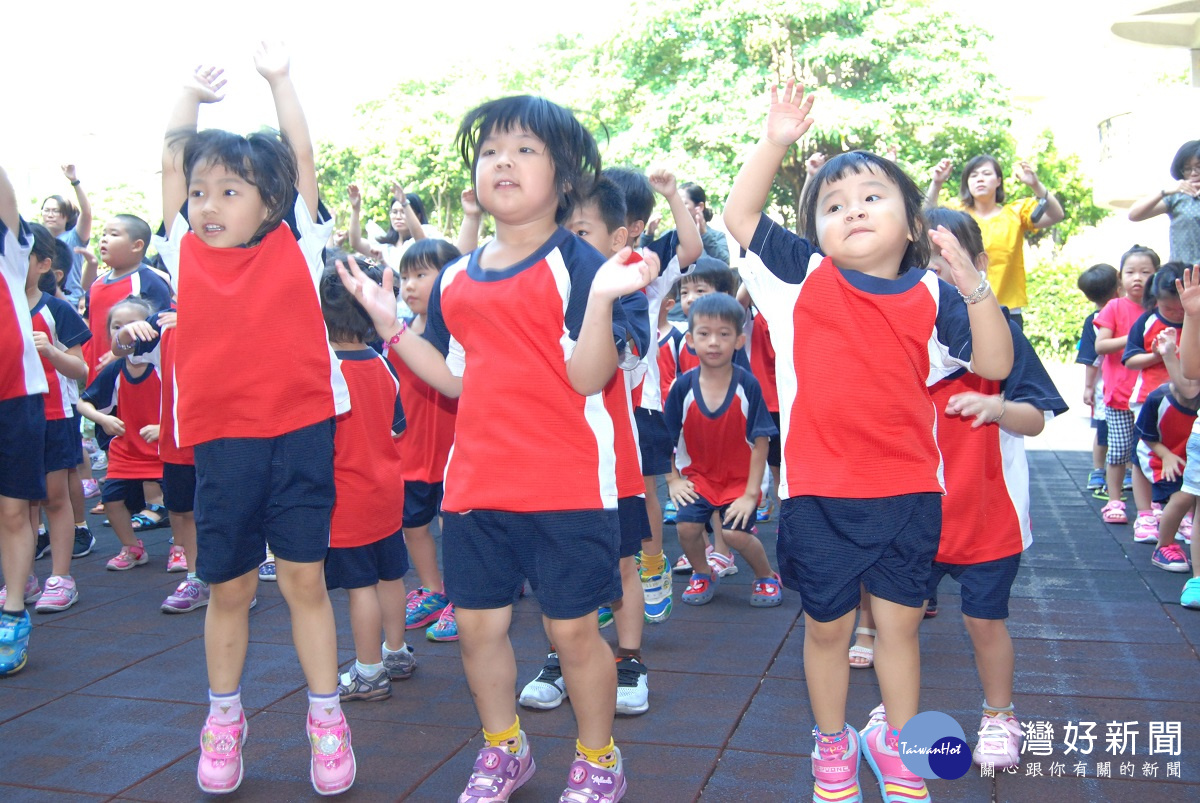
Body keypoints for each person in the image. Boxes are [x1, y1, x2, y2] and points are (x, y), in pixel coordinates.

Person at [337, 93, 658, 803]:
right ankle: (503, 747)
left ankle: (599, 757)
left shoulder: (579, 263)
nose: (503, 161)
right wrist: (394, 325)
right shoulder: (455, 274)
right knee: (479, 626)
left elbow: (588, 376)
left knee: (573, 629)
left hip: (569, 486)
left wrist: (603, 300)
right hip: (476, 484)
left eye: (525, 150)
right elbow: (452, 376)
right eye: (489, 152)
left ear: (565, 176)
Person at [724, 81, 1013, 803]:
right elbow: (740, 213)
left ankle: (899, 739)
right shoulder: (803, 278)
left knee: (898, 629)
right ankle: (832, 741)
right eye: (833, 203)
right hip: (822, 497)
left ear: (913, 222)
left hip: (910, 494)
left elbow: (997, 364)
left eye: (871, 196)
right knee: (827, 630)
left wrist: (973, 283)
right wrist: (776, 143)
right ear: (816, 229)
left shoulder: (934, 295)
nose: (851, 207)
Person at [158, 50, 355, 795]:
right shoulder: (184, 248)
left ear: (270, 203)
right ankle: (223, 715)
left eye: (228, 191)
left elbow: (299, 154)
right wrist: (187, 97)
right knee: (229, 584)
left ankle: (326, 715)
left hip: (300, 430)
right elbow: (173, 159)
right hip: (223, 440)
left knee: (305, 576)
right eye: (201, 191)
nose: (207, 203)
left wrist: (281, 83)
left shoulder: (297, 240)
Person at [916, 206, 1068, 770]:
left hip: (987, 513)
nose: (934, 272)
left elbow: (1035, 417)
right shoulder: (901, 332)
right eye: (922, 260)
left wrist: (996, 406)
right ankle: (896, 708)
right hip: (915, 510)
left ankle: (1000, 715)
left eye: (947, 258)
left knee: (984, 620)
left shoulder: (1000, 335)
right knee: (896, 616)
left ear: (978, 263)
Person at [519, 176, 654, 717]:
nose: (566, 242)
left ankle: (628, 660)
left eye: (580, 230)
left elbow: (615, 355)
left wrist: (591, 305)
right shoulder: (534, 283)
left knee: (622, 568)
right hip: (550, 461)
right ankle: (560, 657)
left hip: (609, 463)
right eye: (560, 230)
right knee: (553, 569)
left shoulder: (624, 294)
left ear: (618, 238)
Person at [601, 165, 701, 626]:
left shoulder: (648, 264)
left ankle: (654, 565)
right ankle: (609, 576)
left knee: (642, 485)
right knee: (598, 488)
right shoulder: (580, 266)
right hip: (592, 402)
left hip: (639, 400)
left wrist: (673, 194)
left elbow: (693, 246)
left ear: (632, 228)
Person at [318, 261, 417, 701]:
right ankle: (395, 652)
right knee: (390, 575)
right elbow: (397, 427)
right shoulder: (381, 364)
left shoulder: (324, 371)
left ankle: (369, 671)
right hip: (386, 488)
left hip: (347, 497)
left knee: (359, 586)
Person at [664, 292, 780, 608]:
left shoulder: (748, 386)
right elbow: (665, 438)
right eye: (704, 334)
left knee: (735, 536)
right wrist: (673, 480)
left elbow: (761, 443)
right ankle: (703, 572)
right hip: (700, 478)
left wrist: (750, 493)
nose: (713, 342)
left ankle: (767, 575)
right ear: (690, 339)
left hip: (738, 482)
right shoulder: (683, 388)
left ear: (739, 341)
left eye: (724, 334)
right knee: (686, 527)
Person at [112, 305, 208, 611]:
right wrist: (126, 333)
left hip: (226, 435)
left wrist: (199, 319)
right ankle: (197, 578)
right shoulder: (164, 321)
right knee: (185, 512)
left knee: (226, 511)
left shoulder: (237, 304)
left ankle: (235, 580)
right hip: (180, 441)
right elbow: (121, 348)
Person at [391, 240, 462, 643]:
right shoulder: (398, 331)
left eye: (421, 275)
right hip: (414, 450)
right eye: (405, 277)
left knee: (454, 525)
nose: (410, 285)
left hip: (454, 449)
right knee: (413, 524)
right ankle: (434, 589)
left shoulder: (457, 331)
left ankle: (463, 596)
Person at [24, 224, 91, 611]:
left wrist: (50, 351)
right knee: (17, 502)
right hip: (13, 414)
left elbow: (81, 370)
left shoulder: (55, 308)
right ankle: (24, 577)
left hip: (53, 413)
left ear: (44, 263)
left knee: (53, 496)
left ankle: (61, 576)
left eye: (21, 258)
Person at [0, 163, 50, 677]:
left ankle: (13, 610)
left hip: (15, 397)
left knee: (15, 511)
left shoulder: (9, 253)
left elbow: (4, 195)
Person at [926, 155, 1064, 328]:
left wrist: (1035, 185)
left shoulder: (1015, 213)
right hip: (964, 305)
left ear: (998, 181)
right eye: (974, 175)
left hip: (1007, 309)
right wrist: (936, 183)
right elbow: (923, 220)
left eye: (986, 173)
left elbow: (1056, 215)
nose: (980, 179)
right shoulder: (957, 216)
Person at [76, 297, 162, 573]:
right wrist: (104, 418)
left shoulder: (163, 365)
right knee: (111, 499)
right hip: (127, 449)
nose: (124, 332)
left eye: (132, 325)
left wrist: (165, 429)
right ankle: (131, 546)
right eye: (116, 327)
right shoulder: (115, 369)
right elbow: (82, 402)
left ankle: (182, 547)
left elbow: (187, 401)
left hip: (163, 447)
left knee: (182, 507)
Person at [1094, 246, 1161, 524]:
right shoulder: (1115, 307)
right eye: (1131, 272)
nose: (1138, 278)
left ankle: (1152, 505)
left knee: (1146, 453)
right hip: (1119, 395)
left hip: (1151, 397)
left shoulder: (1163, 309)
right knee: (1119, 450)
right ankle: (1114, 500)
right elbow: (1101, 345)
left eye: (1146, 272)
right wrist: (1135, 337)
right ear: (1120, 278)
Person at [1122, 262, 1186, 543]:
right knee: (1143, 454)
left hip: (1188, 401)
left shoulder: (1194, 319)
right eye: (1169, 310)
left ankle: (1180, 512)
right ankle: (1146, 513)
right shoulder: (1148, 321)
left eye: (1181, 309)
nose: (1176, 315)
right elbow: (1130, 358)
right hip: (1151, 398)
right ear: (1155, 301)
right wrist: (1157, 356)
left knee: (1185, 453)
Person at [1134, 335, 1198, 574]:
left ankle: (1181, 525)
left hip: (1188, 456)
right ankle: (1164, 544)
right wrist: (1167, 456)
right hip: (1159, 456)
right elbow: (1146, 438)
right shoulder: (1159, 399)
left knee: (1190, 496)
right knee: (1184, 497)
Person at [82, 215, 171, 381]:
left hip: (135, 375)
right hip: (98, 372)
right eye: (103, 234)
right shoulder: (97, 283)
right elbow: (89, 323)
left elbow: (161, 329)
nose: (104, 240)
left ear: (137, 246)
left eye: (113, 235)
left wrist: (119, 352)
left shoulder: (150, 282)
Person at [1076, 264, 1120, 494]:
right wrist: (1089, 387)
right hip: (1108, 387)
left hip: (1106, 387)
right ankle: (1101, 469)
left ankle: (1100, 470)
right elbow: (1091, 359)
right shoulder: (1098, 320)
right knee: (1106, 431)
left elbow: (1089, 359)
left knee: (1104, 432)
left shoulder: (1094, 318)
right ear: (1118, 287)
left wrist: (1089, 387)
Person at [1128, 140, 1200, 265]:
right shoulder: (1177, 197)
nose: (1193, 173)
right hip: (1183, 271)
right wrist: (1165, 192)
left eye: (1198, 167)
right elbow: (1134, 215)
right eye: (1187, 169)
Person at [347, 180, 441, 269]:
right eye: (394, 212)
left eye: (403, 212)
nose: (398, 217)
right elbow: (356, 243)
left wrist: (405, 203)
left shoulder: (428, 234)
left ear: (418, 216)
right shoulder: (385, 248)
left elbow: (422, 243)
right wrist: (355, 209)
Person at [40, 164, 93, 302]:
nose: (50, 215)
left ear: (67, 215)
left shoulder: (74, 237)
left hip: (71, 300)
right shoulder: (38, 239)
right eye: (47, 210)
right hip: (44, 300)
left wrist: (74, 181)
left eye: (56, 211)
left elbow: (87, 213)